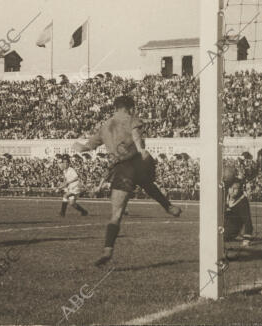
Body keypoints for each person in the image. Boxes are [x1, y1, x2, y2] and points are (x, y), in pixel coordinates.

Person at [72, 95, 181, 266]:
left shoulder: (105, 126)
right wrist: (141, 149)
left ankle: (108, 249)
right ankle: (168, 206)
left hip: (121, 168)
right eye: (132, 108)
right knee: (147, 181)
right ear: (128, 108)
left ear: (116, 107)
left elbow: (89, 146)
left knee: (116, 215)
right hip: (137, 162)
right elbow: (136, 133)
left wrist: (79, 146)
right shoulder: (130, 118)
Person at [223, 166, 253, 248]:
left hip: (233, 228)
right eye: (232, 188)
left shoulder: (242, 201)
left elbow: (248, 221)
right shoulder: (225, 195)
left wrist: (246, 240)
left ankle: (235, 235)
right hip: (223, 224)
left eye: (236, 189)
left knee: (219, 237)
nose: (233, 191)